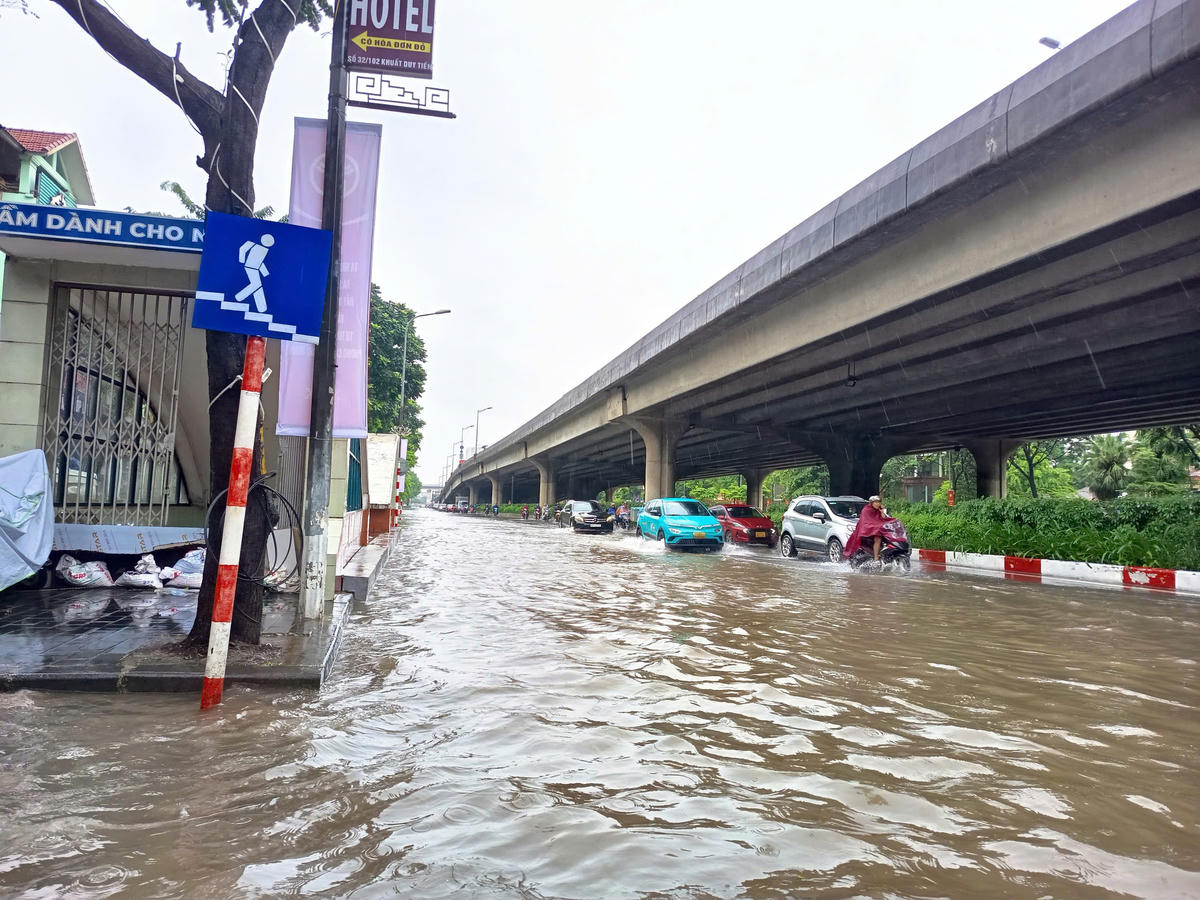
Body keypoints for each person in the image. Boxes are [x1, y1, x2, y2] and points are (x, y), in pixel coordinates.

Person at [843, 495, 895, 563]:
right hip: (866, 531)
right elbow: (866, 522)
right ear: (871, 503)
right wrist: (875, 527)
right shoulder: (866, 510)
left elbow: (883, 520)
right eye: (875, 502)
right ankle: (876, 557)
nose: (877, 504)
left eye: (879, 502)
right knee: (878, 538)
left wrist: (882, 511)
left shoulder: (878, 511)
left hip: (876, 529)